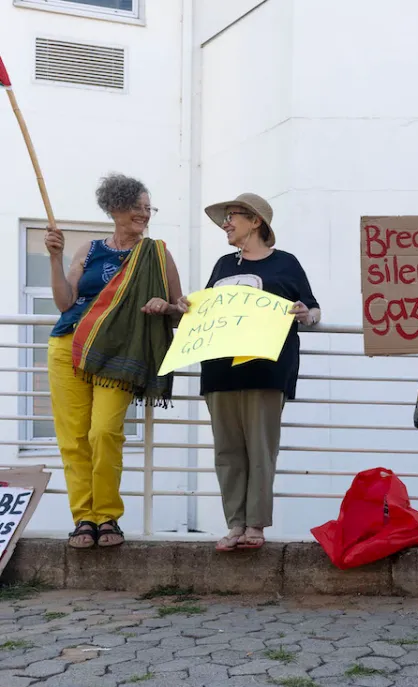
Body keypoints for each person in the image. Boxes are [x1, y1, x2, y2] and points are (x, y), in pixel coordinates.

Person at [44, 173, 183, 549]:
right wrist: (55, 258)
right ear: (114, 208)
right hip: (68, 346)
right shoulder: (89, 250)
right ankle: (84, 519)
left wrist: (165, 305)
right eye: (137, 207)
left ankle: (108, 516)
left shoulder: (157, 253)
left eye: (147, 208)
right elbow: (64, 302)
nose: (144, 214)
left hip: (118, 353)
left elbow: (180, 307)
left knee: (104, 431)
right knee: (73, 439)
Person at [177, 193, 320, 552]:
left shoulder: (286, 263)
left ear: (255, 221)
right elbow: (207, 311)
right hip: (219, 371)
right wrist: (186, 307)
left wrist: (306, 314)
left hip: (266, 371)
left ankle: (255, 524)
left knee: (260, 448)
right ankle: (235, 524)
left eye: (232, 216)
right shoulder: (223, 265)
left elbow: (314, 310)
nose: (226, 223)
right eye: (225, 218)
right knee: (226, 451)